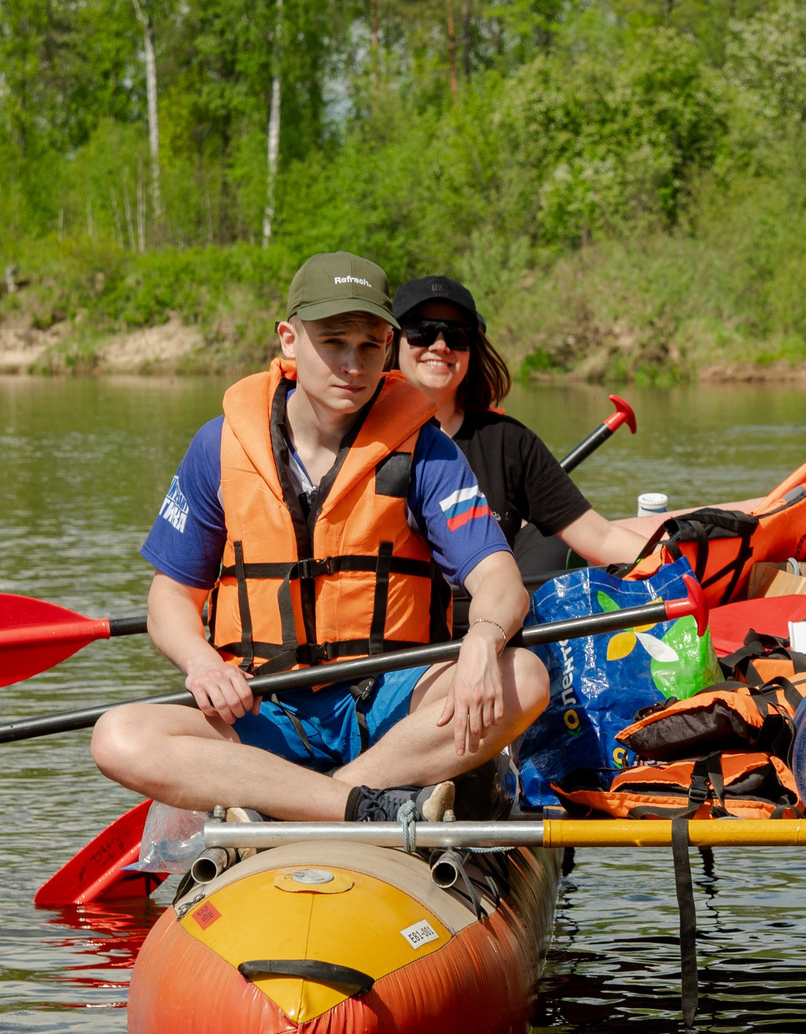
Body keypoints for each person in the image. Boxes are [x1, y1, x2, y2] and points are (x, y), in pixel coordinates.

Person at [90, 253, 549, 823]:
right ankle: (362, 806)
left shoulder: (425, 448)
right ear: (289, 339)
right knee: (119, 736)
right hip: (264, 707)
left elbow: (498, 578)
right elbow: (169, 600)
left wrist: (483, 636)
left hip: (391, 706)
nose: (352, 365)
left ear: (387, 348)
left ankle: (313, 799)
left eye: (369, 346)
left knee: (524, 676)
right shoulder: (219, 446)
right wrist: (201, 663)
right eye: (333, 342)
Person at [392, 275, 658, 580]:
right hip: (392, 622)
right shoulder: (358, 433)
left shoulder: (510, 442)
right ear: (392, 339)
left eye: (456, 335)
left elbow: (601, 537)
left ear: (471, 349)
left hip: (490, 621)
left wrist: (685, 565)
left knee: (549, 540)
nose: (440, 345)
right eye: (421, 332)